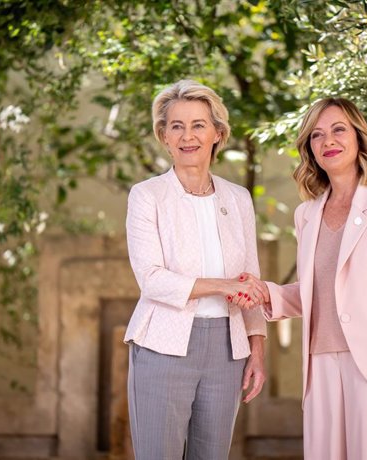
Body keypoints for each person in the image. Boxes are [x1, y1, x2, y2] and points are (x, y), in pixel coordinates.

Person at [245, 97, 367, 459]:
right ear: (310, 149)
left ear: (358, 136)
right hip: (320, 363)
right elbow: (318, 290)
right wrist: (265, 294)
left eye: (338, 130)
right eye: (317, 135)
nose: (328, 141)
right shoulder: (307, 214)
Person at [123, 79, 267, 460]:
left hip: (227, 349)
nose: (188, 136)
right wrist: (221, 286)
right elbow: (151, 279)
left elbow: (250, 278)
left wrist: (257, 349)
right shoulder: (146, 195)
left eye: (199, 125)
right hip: (163, 346)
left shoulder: (238, 199)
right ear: (164, 136)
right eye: (176, 126)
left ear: (217, 134)